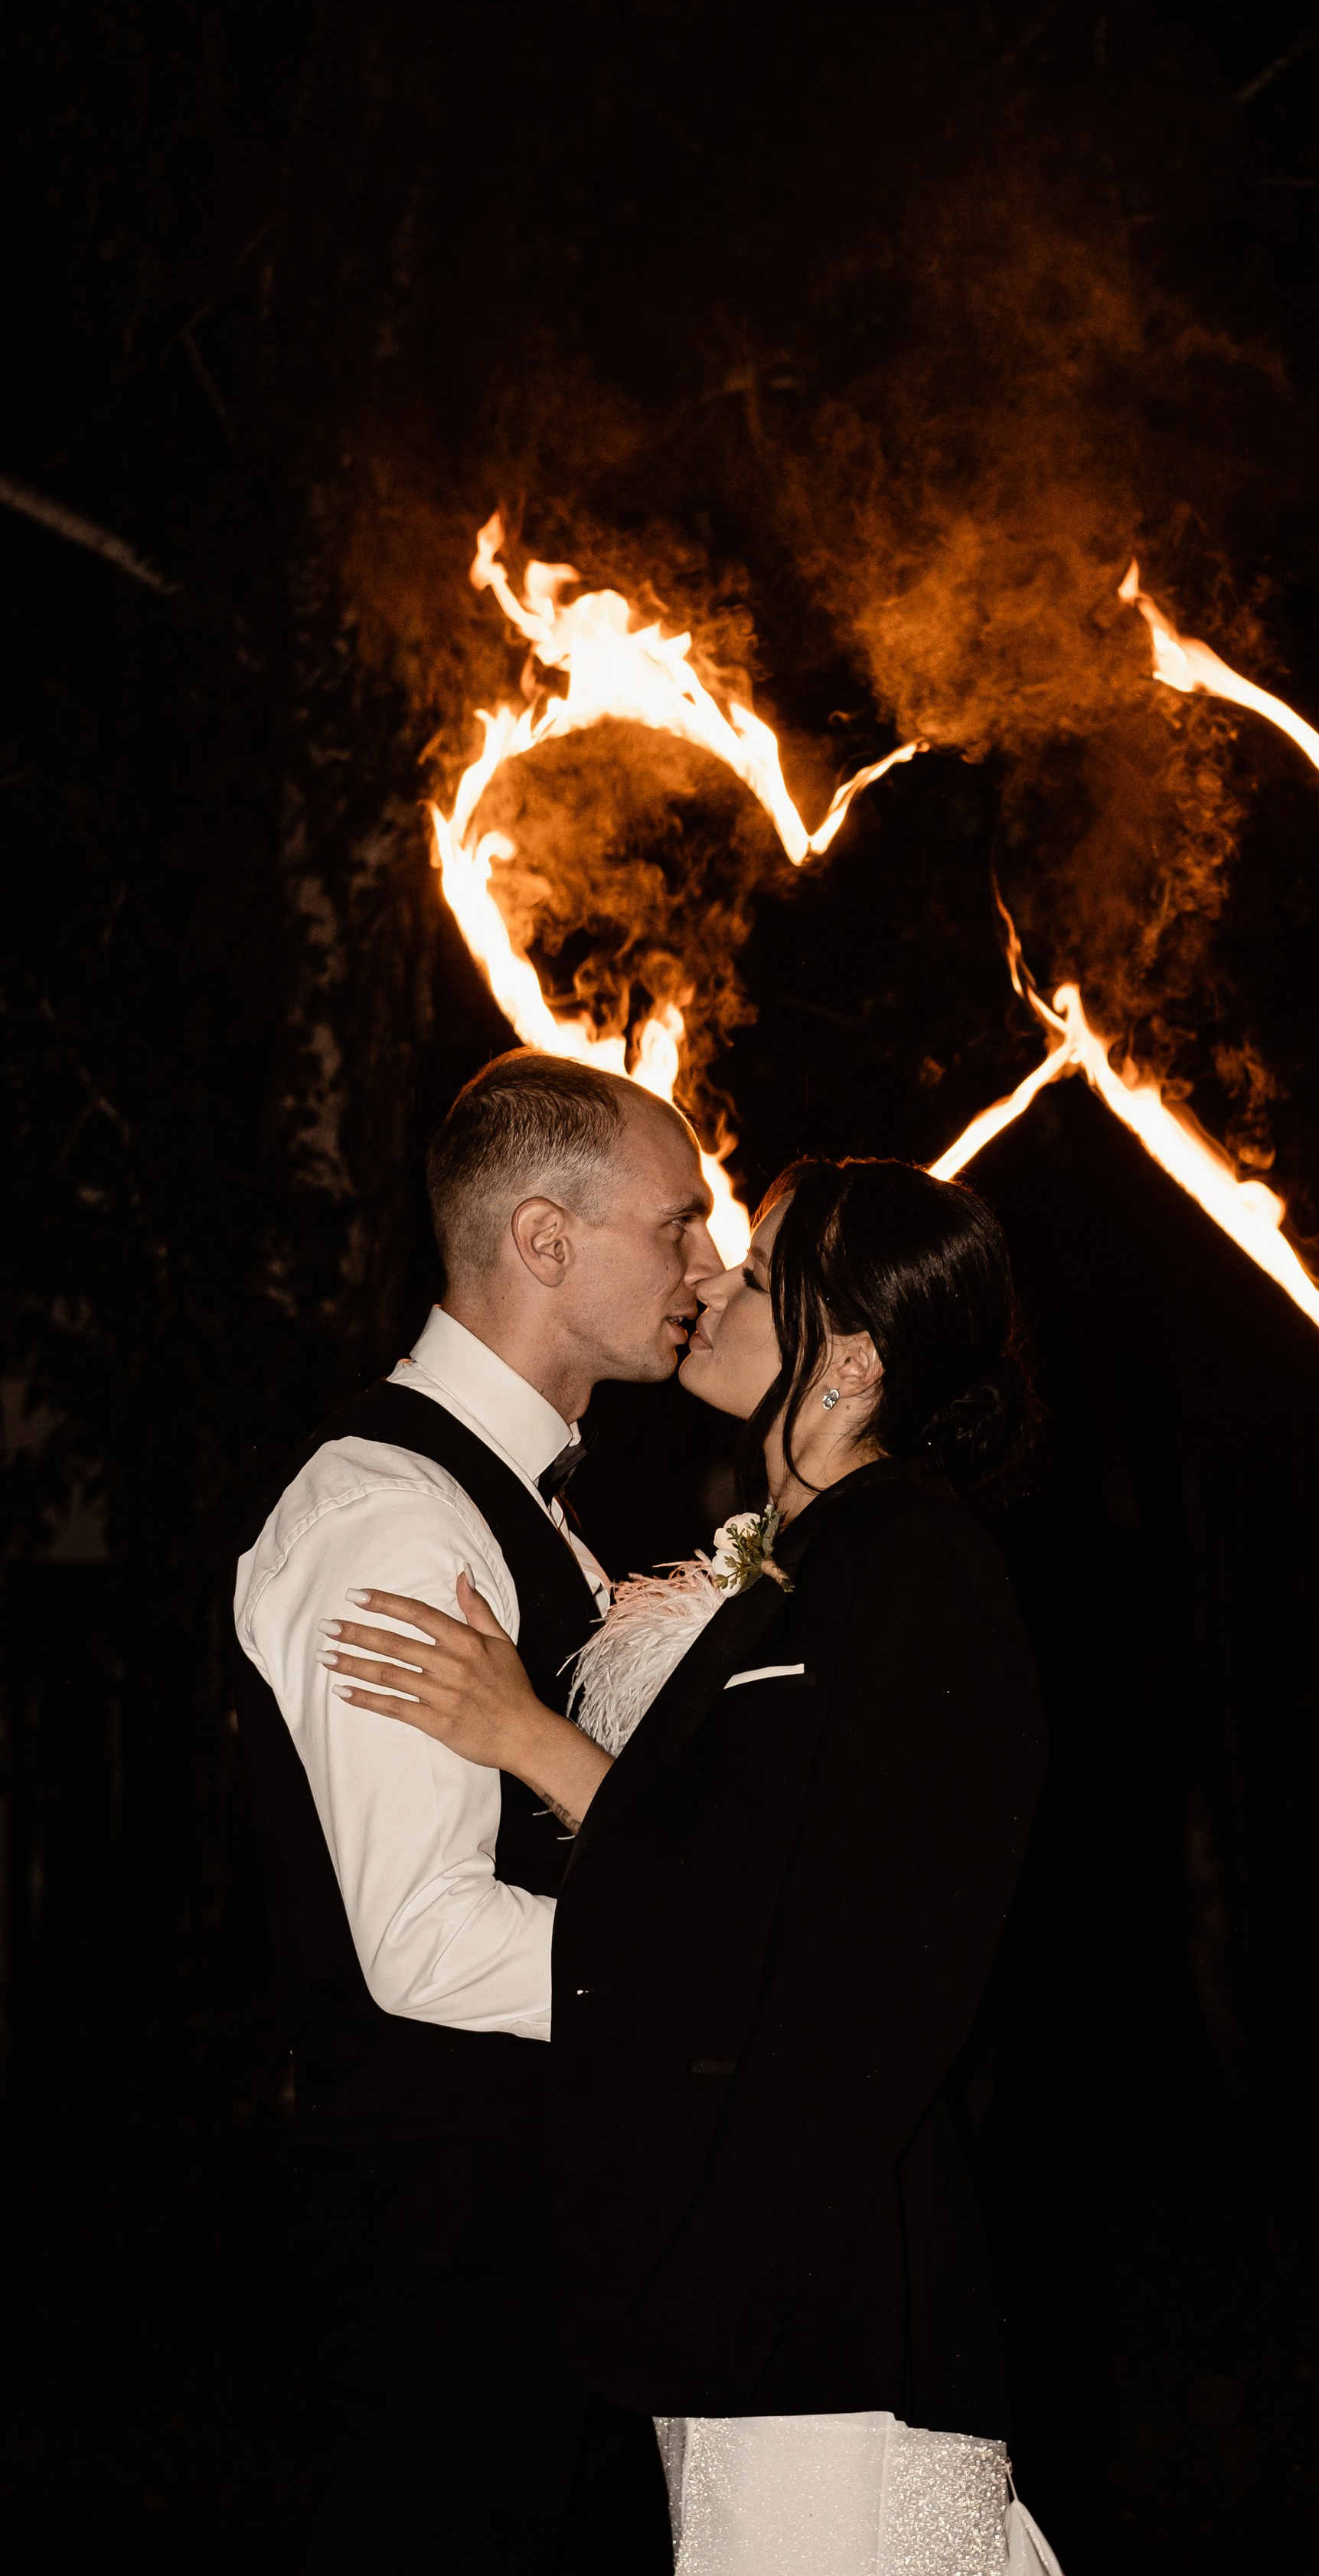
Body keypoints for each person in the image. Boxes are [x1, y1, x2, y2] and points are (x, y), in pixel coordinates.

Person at [333, 1156, 1064, 2574]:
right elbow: (742, 1873)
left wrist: (537, 1746)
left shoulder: (915, 1565)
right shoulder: (802, 1571)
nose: (707, 1286)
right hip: (748, 2313)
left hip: (838, 2322)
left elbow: (836, 1946)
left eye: (754, 1269)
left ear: (847, 1355)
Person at [232, 1048, 720, 2573]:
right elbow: (424, 1942)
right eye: (679, 1227)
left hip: (542, 2252)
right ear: (543, 1240)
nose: (707, 1269)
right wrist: (713, 1971)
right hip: (443, 2262)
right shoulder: (392, 1512)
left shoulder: (537, 1517)